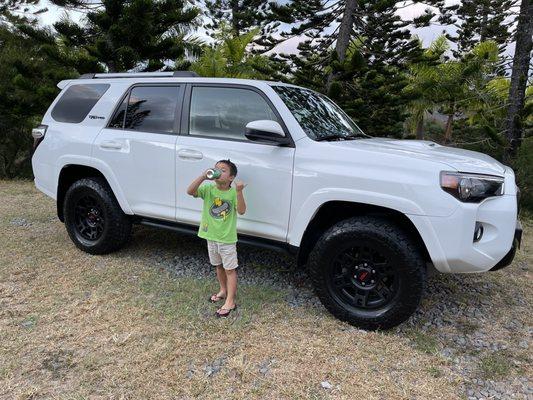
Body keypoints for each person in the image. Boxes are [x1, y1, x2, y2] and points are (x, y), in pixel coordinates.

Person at [186, 159, 247, 317]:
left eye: (223, 170)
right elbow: (190, 191)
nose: (218, 171)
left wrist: (239, 192)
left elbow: (241, 211)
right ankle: (223, 290)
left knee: (230, 270)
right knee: (218, 266)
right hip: (211, 236)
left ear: (231, 177)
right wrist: (202, 176)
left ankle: (230, 301)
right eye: (216, 169)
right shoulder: (208, 188)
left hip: (226, 239)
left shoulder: (233, 192)